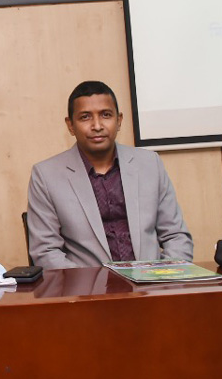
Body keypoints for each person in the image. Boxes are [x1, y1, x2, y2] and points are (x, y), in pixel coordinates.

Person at [26, 81, 192, 268]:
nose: (97, 125)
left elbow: (176, 237)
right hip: (87, 285)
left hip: (151, 281)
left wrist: (164, 277)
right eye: (85, 117)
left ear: (119, 120)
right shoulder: (46, 176)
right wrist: (92, 284)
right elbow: (46, 252)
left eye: (106, 115)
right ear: (70, 125)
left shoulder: (150, 164)